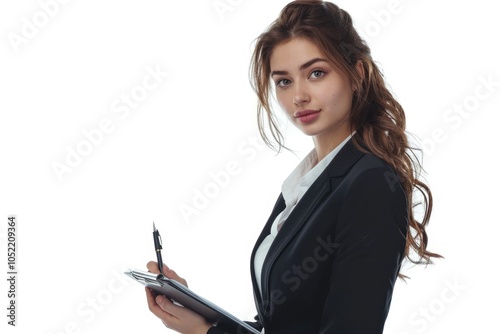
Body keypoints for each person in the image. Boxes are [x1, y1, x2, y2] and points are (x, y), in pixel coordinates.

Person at [145, 1, 441, 333]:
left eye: (316, 73)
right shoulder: (306, 184)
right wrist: (205, 318)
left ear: (357, 75)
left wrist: (206, 332)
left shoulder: (369, 183)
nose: (298, 96)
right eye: (283, 81)